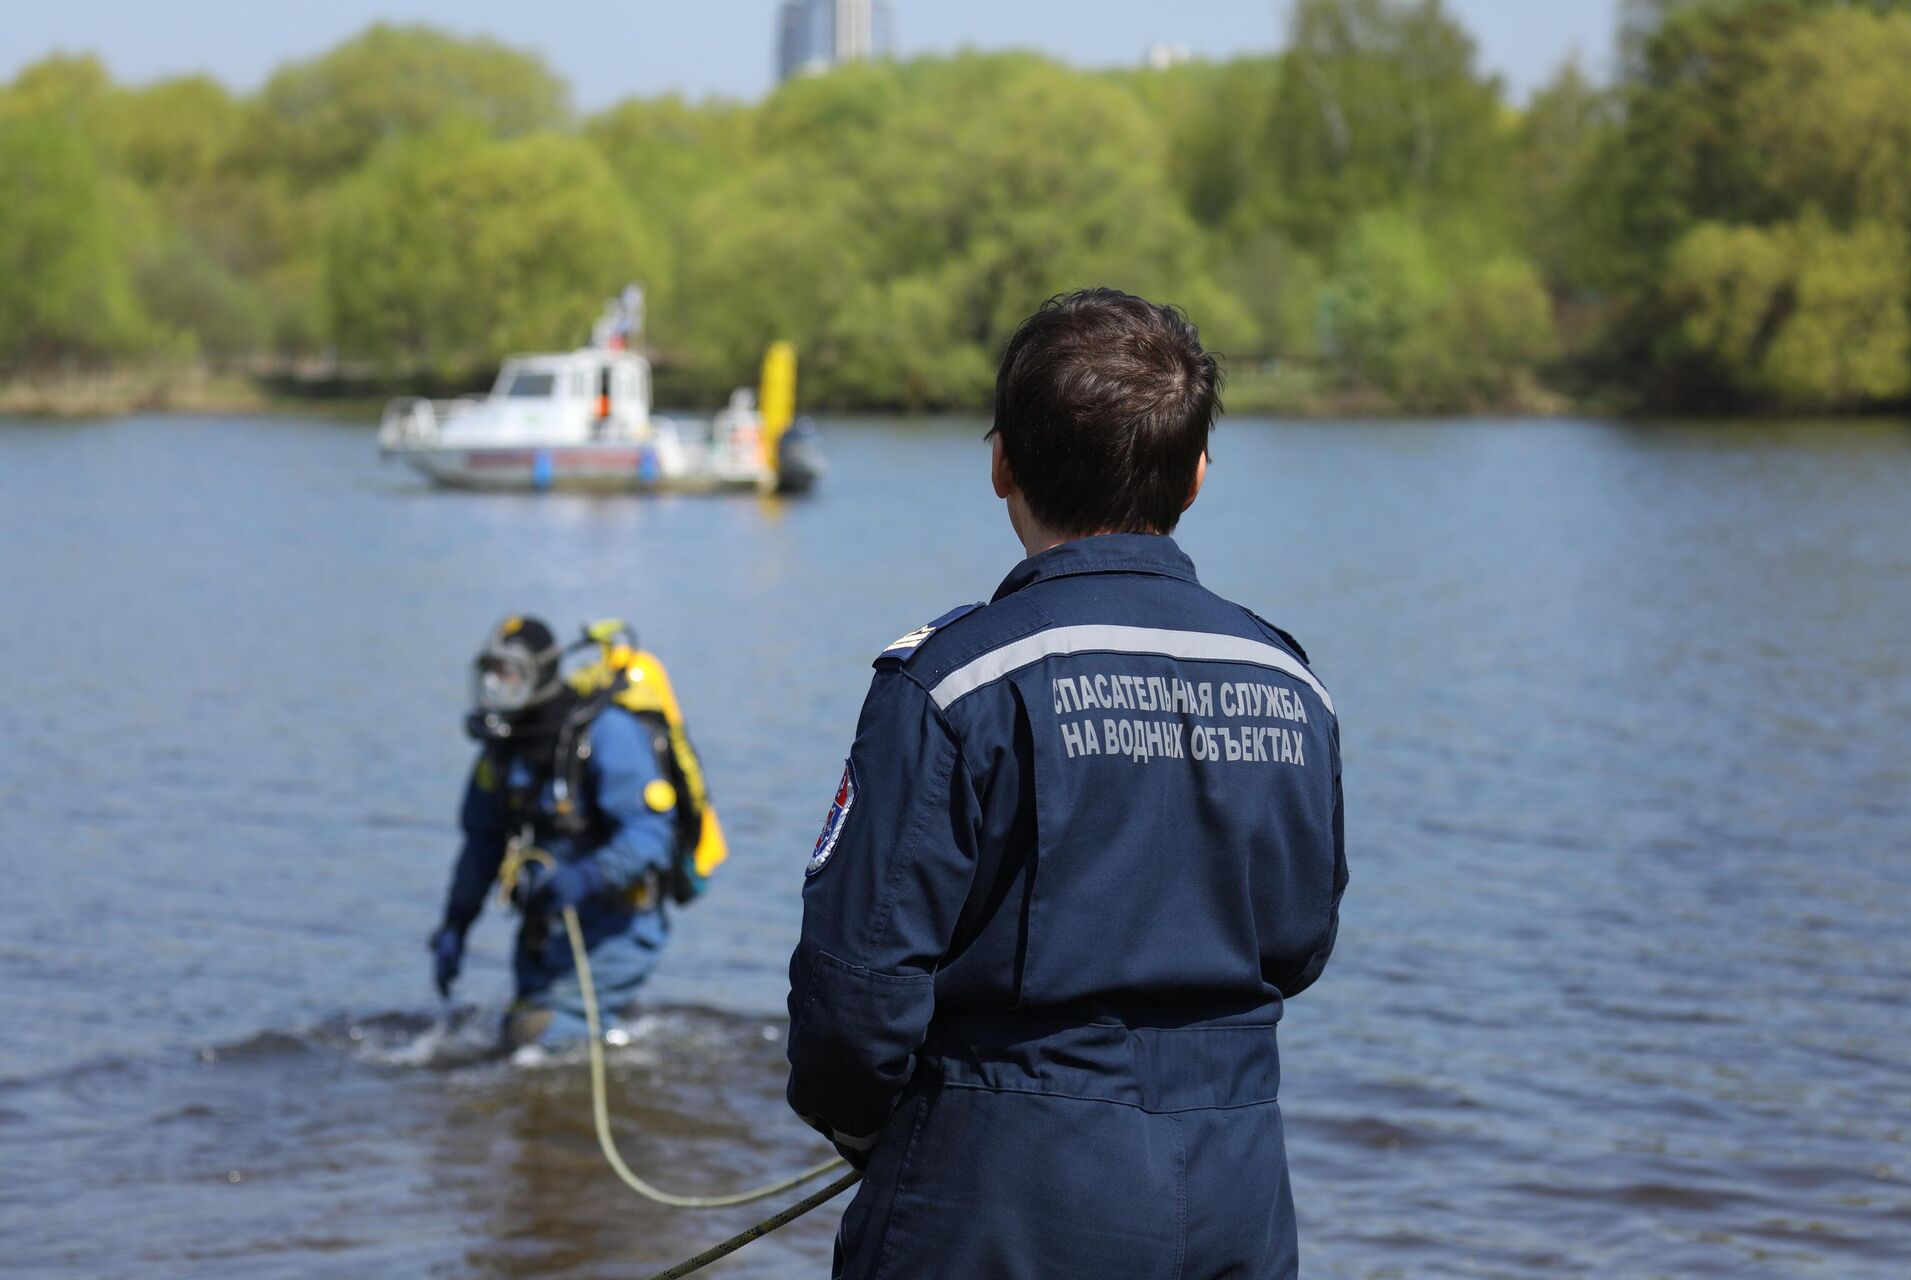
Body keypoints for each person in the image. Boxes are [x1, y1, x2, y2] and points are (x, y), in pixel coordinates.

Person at [786, 289, 1347, 1278]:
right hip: (1233, 1188)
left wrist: (878, 1135)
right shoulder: (1291, 680)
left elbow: (854, 994)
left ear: (1000, 460)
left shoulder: (952, 680)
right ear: (1198, 475)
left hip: (1000, 1185)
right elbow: (1298, 941)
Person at [428, 615, 683, 1051]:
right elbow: (481, 845)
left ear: (540, 673)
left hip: (616, 927)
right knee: (515, 1034)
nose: (495, 685)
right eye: (488, 672)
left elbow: (652, 836)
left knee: (543, 1044)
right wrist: (456, 924)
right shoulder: (502, 750)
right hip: (545, 927)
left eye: (508, 673)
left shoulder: (605, 734)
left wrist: (586, 877)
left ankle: (602, 1052)